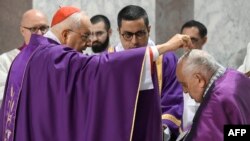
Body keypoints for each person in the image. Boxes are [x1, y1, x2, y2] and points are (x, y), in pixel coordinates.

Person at [0, 6, 192, 141]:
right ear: (66, 35)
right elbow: (96, 68)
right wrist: (164, 47)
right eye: (85, 36)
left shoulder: (27, 55)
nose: (89, 44)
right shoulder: (54, 57)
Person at [109, 5, 183, 140]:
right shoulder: (109, 61)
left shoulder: (165, 59)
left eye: (140, 33)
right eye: (128, 35)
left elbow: (173, 98)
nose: (134, 41)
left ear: (148, 30)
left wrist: (163, 128)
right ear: (119, 32)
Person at [176, 49, 250, 141]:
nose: (185, 91)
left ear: (199, 80)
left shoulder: (214, 105)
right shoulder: (235, 76)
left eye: (184, 85)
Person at [0, 9, 49, 107]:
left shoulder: (55, 60)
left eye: (43, 28)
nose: (39, 33)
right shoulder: (6, 60)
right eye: (33, 29)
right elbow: (2, 95)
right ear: (22, 31)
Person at [179, 20, 207, 132]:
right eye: (184, 40)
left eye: (194, 40)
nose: (188, 45)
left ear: (204, 40)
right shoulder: (173, 71)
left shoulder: (216, 73)